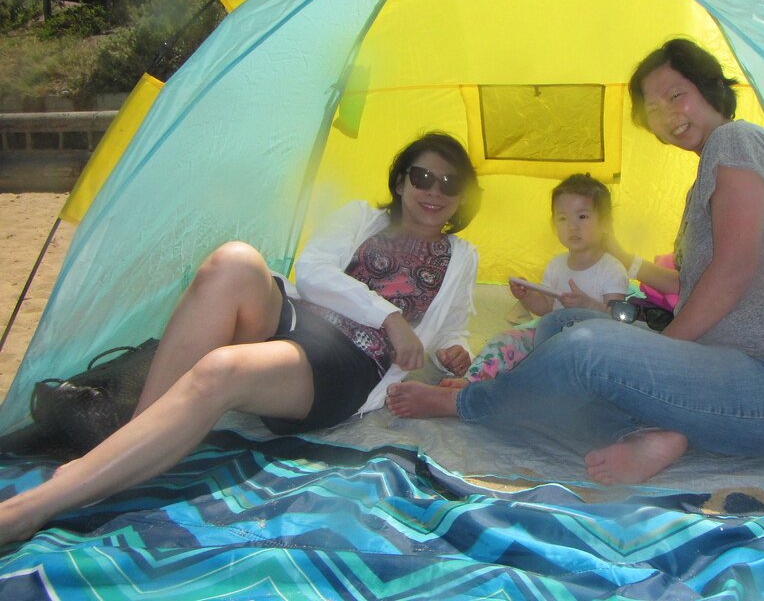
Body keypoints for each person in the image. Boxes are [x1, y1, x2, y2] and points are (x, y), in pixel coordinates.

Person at [387, 40, 764, 486]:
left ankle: (469, 403)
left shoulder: (736, 141)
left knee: (587, 348)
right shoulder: (710, 171)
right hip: (731, 372)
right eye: (654, 108)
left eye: (676, 95)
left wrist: (661, 347)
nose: (668, 115)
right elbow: (691, 284)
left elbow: (734, 269)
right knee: (561, 324)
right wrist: (636, 300)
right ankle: (655, 433)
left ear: (708, 88)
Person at [0, 131, 481, 545]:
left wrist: (454, 350)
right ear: (400, 182)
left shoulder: (462, 256)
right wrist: (391, 317)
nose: (433, 191)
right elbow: (312, 272)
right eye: (422, 177)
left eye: (449, 184)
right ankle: (132, 442)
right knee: (233, 260)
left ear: (462, 199)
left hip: (349, 360)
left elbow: (452, 325)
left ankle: (35, 507)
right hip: (295, 313)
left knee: (220, 370)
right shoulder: (360, 216)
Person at [453, 173, 627, 385]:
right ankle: (470, 382)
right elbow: (545, 309)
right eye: (563, 218)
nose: (573, 226)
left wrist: (586, 305)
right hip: (550, 335)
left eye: (582, 217)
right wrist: (527, 296)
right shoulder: (556, 264)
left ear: (605, 223)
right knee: (506, 340)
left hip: (588, 344)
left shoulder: (612, 268)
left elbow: (617, 322)